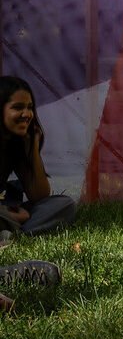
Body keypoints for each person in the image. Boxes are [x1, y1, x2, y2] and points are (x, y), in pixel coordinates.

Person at [0, 75, 77, 238]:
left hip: (3, 209)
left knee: (64, 204)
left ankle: (10, 232)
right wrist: (13, 215)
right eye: (18, 107)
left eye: (30, 107)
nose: (27, 114)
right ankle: (15, 229)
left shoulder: (16, 143)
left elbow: (39, 195)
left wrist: (32, 148)